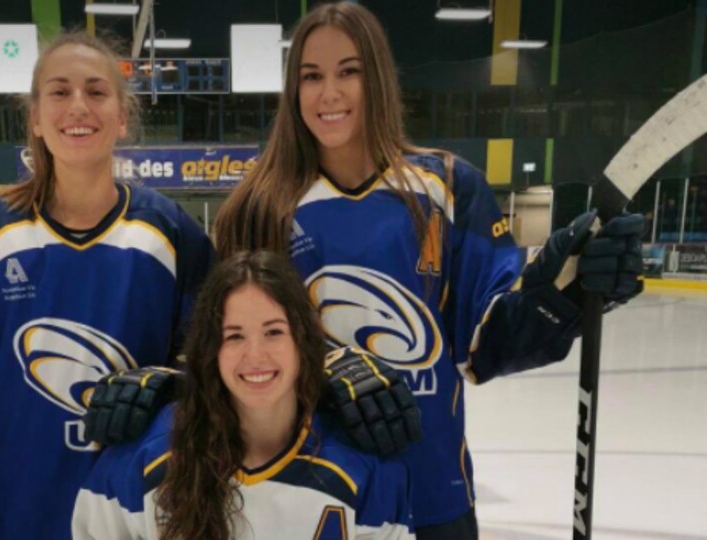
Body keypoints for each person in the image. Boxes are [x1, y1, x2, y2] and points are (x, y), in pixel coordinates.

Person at [88, 3, 645, 538]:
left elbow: (488, 344)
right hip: (298, 500)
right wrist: (171, 385)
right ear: (293, 90)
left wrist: (562, 294)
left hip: (432, 490)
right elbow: (228, 349)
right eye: (310, 76)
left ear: (377, 78)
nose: (329, 93)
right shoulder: (260, 206)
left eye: (348, 72)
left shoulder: (448, 188)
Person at [0, 31, 214, 539]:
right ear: (35, 119)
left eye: (96, 91)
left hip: (142, 507)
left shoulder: (174, 234)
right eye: (60, 91)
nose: (78, 106)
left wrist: (173, 386)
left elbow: (206, 366)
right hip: (18, 511)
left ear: (122, 115)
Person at [73, 251, 415, 540]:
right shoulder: (138, 461)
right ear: (211, 350)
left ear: (304, 342)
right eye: (234, 336)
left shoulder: (368, 469)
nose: (256, 356)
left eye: (274, 332)